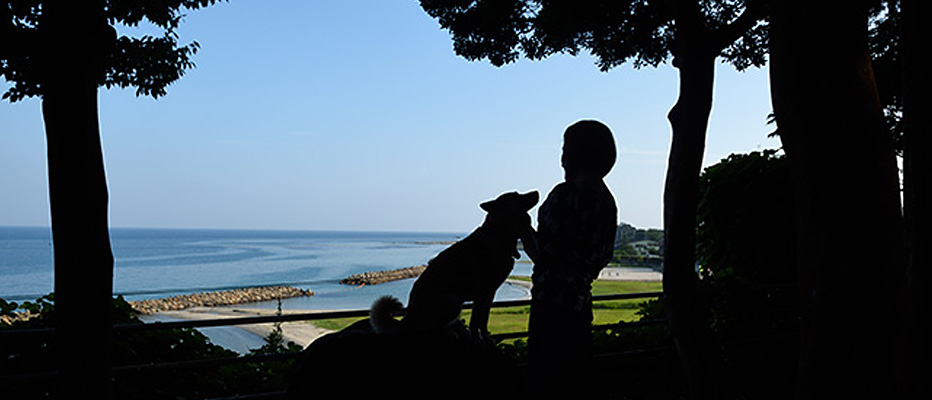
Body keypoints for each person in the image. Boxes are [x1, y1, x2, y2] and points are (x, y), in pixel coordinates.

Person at [521, 119, 618, 395]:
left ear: (576, 154)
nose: (562, 160)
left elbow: (546, 256)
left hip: (551, 307)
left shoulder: (565, 195)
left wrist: (521, 227)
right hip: (580, 305)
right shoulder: (605, 200)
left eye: (565, 150)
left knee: (546, 380)